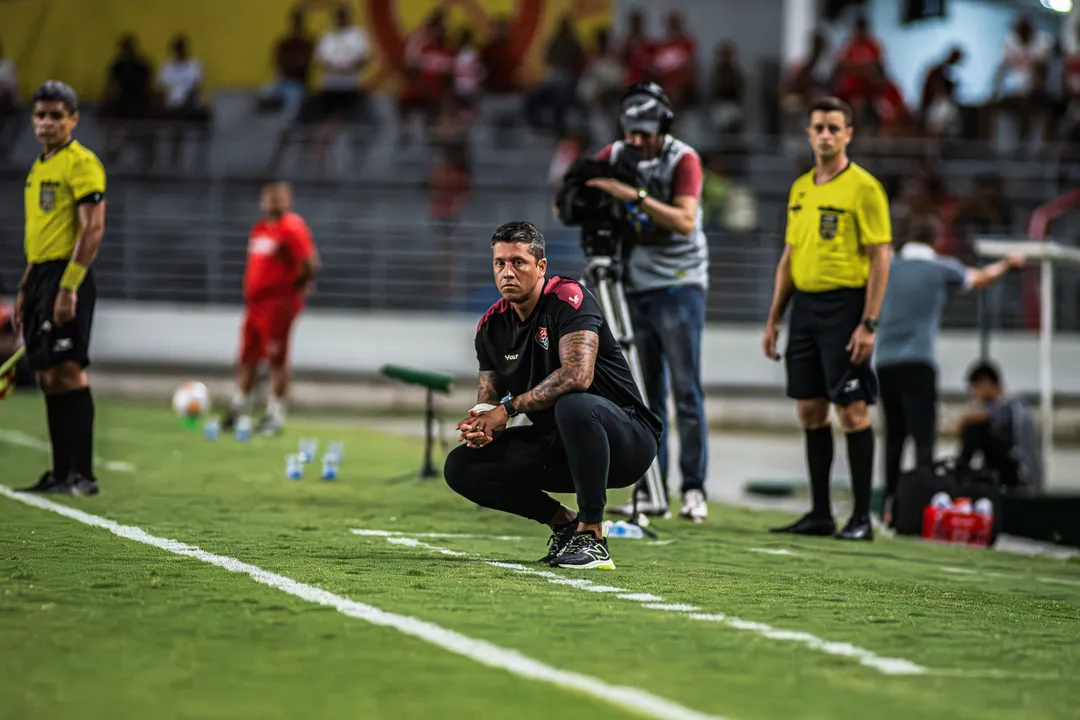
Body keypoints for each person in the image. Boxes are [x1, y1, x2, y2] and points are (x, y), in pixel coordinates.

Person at [444, 221, 662, 570]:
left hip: (626, 440)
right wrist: (483, 424)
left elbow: (577, 376)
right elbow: (490, 396)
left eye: (518, 262)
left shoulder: (567, 298)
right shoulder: (491, 325)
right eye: (500, 263)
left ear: (541, 267)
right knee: (460, 467)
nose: (507, 272)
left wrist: (507, 409)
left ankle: (593, 537)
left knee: (575, 404)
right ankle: (565, 524)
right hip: (562, 443)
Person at [762, 96, 891, 541]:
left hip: (845, 308)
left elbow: (880, 256)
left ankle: (860, 518)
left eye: (835, 128)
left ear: (849, 133)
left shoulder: (864, 188)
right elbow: (789, 257)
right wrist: (774, 317)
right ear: (809, 132)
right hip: (805, 310)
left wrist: (869, 323)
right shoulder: (801, 188)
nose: (826, 135)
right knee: (810, 409)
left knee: (852, 411)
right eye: (819, 127)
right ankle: (819, 513)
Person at [585, 81, 710, 523]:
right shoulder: (618, 154)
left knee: (685, 391)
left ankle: (694, 489)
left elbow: (684, 219)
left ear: (663, 127)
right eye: (630, 132)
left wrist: (632, 196)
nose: (636, 141)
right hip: (635, 285)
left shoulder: (683, 158)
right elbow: (580, 182)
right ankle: (651, 489)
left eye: (644, 132)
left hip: (679, 284)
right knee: (645, 395)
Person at [875, 219, 1024, 525]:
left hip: (885, 361)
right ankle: (920, 507)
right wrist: (1008, 264)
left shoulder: (889, 266)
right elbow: (980, 278)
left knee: (893, 438)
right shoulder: (941, 268)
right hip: (918, 361)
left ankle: (888, 506)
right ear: (936, 239)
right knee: (923, 440)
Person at [14, 81, 107, 496]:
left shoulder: (82, 163)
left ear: (73, 119)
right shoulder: (39, 167)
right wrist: (25, 287)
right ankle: (59, 473)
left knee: (69, 372)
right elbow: (40, 234)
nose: (46, 123)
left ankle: (83, 476)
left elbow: (93, 228)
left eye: (55, 115)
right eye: (40, 115)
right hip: (40, 277)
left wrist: (69, 287)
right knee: (48, 375)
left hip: (67, 276)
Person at [221, 181, 319, 436]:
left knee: (276, 358)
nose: (272, 203)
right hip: (255, 303)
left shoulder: (291, 228)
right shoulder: (261, 229)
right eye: (269, 198)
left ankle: (275, 414)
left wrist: (294, 289)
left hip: (278, 303)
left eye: (278, 198)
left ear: (288, 200)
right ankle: (239, 407)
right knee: (247, 357)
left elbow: (309, 262)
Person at [956, 361, 1043, 496]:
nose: (974, 395)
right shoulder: (993, 408)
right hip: (1000, 468)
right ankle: (961, 475)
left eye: (975, 389)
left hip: (1017, 472)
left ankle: (958, 476)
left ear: (985, 383)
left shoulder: (1013, 406)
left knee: (975, 428)